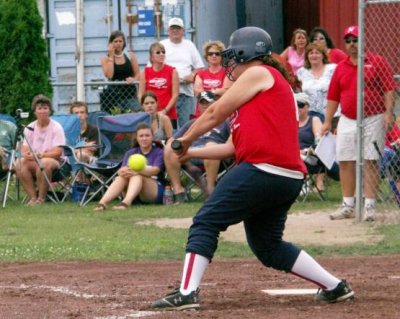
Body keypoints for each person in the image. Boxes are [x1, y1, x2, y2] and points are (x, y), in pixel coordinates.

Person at [151, 27, 354, 311]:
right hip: (284, 177)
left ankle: (186, 293)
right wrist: (189, 152)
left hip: (264, 170)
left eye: (234, 55)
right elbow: (231, 148)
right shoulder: (256, 95)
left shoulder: (260, 73)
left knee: (206, 221)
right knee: (268, 247)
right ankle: (335, 286)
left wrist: (184, 139)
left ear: (247, 52)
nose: (229, 62)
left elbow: (212, 112)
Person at [321, 26, 396, 222]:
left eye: (355, 40)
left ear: (362, 41)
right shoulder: (341, 67)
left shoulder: (377, 62)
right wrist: (327, 121)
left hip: (374, 117)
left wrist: (389, 114)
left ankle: (369, 206)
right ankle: (348, 205)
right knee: (346, 159)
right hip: (347, 118)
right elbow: (333, 97)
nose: (352, 44)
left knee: (370, 160)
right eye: (348, 41)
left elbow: (389, 89)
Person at [164, 91, 230, 203]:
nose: (205, 106)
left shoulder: (225, 122)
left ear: (216, 103)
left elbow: (231, 142)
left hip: (214, 157)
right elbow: (172, 140)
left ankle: (210, 190)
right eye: (202, 103)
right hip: (189, 155)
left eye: (208, 102)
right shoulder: (192, 123)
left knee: (210, 146)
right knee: (169, 148)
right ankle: (178, 190)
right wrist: (174, 146)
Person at [93, 122, 165, 211]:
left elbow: (155, 171)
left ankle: (126, 203)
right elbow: (121, 171)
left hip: (153, 191)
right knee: (121, 177)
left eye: (147, 135)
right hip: (134, 192)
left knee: (137, 175)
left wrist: (137, 171)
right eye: (141, 136)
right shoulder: (131, 152)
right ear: (137, 138)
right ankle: (102, 203)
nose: (144, 138)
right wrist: (122, 172)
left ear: (152, 137)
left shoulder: (159, 152)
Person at [14, 95, 66, 206]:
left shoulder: (57, 127)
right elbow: (24, 147)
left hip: (55, 161)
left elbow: (58, 152)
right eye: (40, 108)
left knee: (44, 163)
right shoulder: (30, 127)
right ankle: (33, 197)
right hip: (35, 160)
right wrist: (27, 154)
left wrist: (40, 155)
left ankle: (41, 198)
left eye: (45, 108)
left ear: (50, 111)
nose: (42, 111)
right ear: (35, 112)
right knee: (18, 163)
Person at [160, 17, 205, 128]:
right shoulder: (161, 45)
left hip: (185, 93)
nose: (175, 31)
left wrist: (192, 76)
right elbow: (152, 67)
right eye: (173, 28)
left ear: (183, 31)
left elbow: (199, 67)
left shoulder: (189, 45)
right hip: (166, 93)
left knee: (187, 126)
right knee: (167, 127)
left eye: (178, 28)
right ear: (168, 31)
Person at [138, 42, 179, 128]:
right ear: (151, 57)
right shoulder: (145, 72)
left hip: (169, 114)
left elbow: (175, 95)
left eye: (163, 52)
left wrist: (165, 111)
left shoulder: (172, 71)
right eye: (158, 52)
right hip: (150, 114)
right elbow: (140, 94)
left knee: (169, 139)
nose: (161, 54)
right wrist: (146, 108)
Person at [100, 30, 140, 113]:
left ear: (124, 43)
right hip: (113, 95)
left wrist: (133, 79)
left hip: (129, 94)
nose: (118, 43)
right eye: (115, 41)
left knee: (133, 116)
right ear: (111, 43)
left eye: (120, 41)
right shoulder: (105, 59)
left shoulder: (130, 55)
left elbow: (137, 73)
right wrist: (111, 56)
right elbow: (110, 75)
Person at [297, 43, 337, 122]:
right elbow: (299, 93)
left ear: (323, 55)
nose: (314, 55)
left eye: (317, 53)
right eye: (311, 53)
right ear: (307, 56)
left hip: (331, 115)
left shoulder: (333, 69)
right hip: (310, 116)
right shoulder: (301, 72)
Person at [192, 40, 233, 118]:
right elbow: (198, 93)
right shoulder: (200, 74)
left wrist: (208, 92)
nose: (214, 56)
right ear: (206, 56)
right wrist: (217, 92)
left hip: (221, 113)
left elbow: (227, 91)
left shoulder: (228, 72)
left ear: (222, 56)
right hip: (202, 114)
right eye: (210, 54)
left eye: (217, 54)